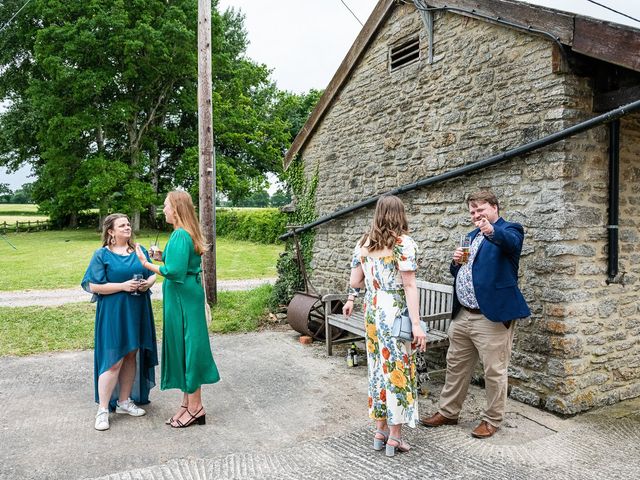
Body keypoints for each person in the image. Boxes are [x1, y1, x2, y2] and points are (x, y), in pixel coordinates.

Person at [421, 190, 530, 438]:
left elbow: (510, 243)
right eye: (472, 211)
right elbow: (459, 271)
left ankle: (491, 419)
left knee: (494, 370)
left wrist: (490, 230)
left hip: (490, 317)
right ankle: (448, 412)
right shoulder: (470, 236)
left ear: (494, 207)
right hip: (462, 315)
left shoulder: (510, 230)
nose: (475, 215)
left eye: (480, 209)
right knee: (456, 366)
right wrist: (456, 261)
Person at [343, 195, 427, 457]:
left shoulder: (364, 243)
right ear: (400, 214)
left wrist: (354, 296)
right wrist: (416, 325)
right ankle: (396, 437)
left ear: (378, 213)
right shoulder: (403, 243)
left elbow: (355, 281)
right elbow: (410, 285)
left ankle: (380, 432)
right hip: (394, 311)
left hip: (373, 309)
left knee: (379, 368)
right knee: (397, 370)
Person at [136, 190, 220, 428]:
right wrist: (163, 256)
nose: (163, 209)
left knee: (190, 348)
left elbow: (175, 272)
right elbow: (181, 262)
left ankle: (196, 408)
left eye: (165, 205)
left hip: (184, 299)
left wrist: (146, 264)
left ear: (176, 209)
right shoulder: (182, 234)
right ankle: (187, 404)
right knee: (184, 348)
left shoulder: (181, 235)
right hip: (182, 297)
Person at [82, 213, 158, 431]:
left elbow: (152, 273)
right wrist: (123, 286)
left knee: (131, 354)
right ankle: (103, 409)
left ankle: (125, 401)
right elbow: (93, 285)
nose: (128, 227)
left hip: (137, 309)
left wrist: (146, 283)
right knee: (113, 359)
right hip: (113, 312)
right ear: (111, 232)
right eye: (122, 225)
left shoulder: (139, 250)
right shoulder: (101, 255)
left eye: (128, 224)